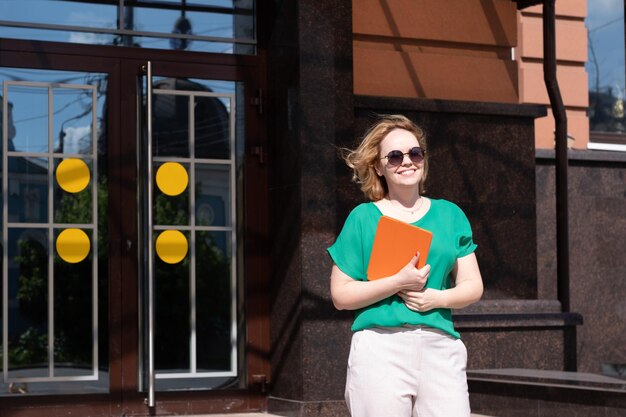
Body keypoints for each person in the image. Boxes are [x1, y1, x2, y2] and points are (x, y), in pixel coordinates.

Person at [327, 114, 484, 417]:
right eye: (395, 156)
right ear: (378, 167)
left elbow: (473, 285)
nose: (407, 162)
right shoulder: (363, 218)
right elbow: (340, 295)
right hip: (380, 347)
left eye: (415, 153)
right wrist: (398, 282)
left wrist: (436, 298)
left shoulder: (450, 214)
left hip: (440, 346)